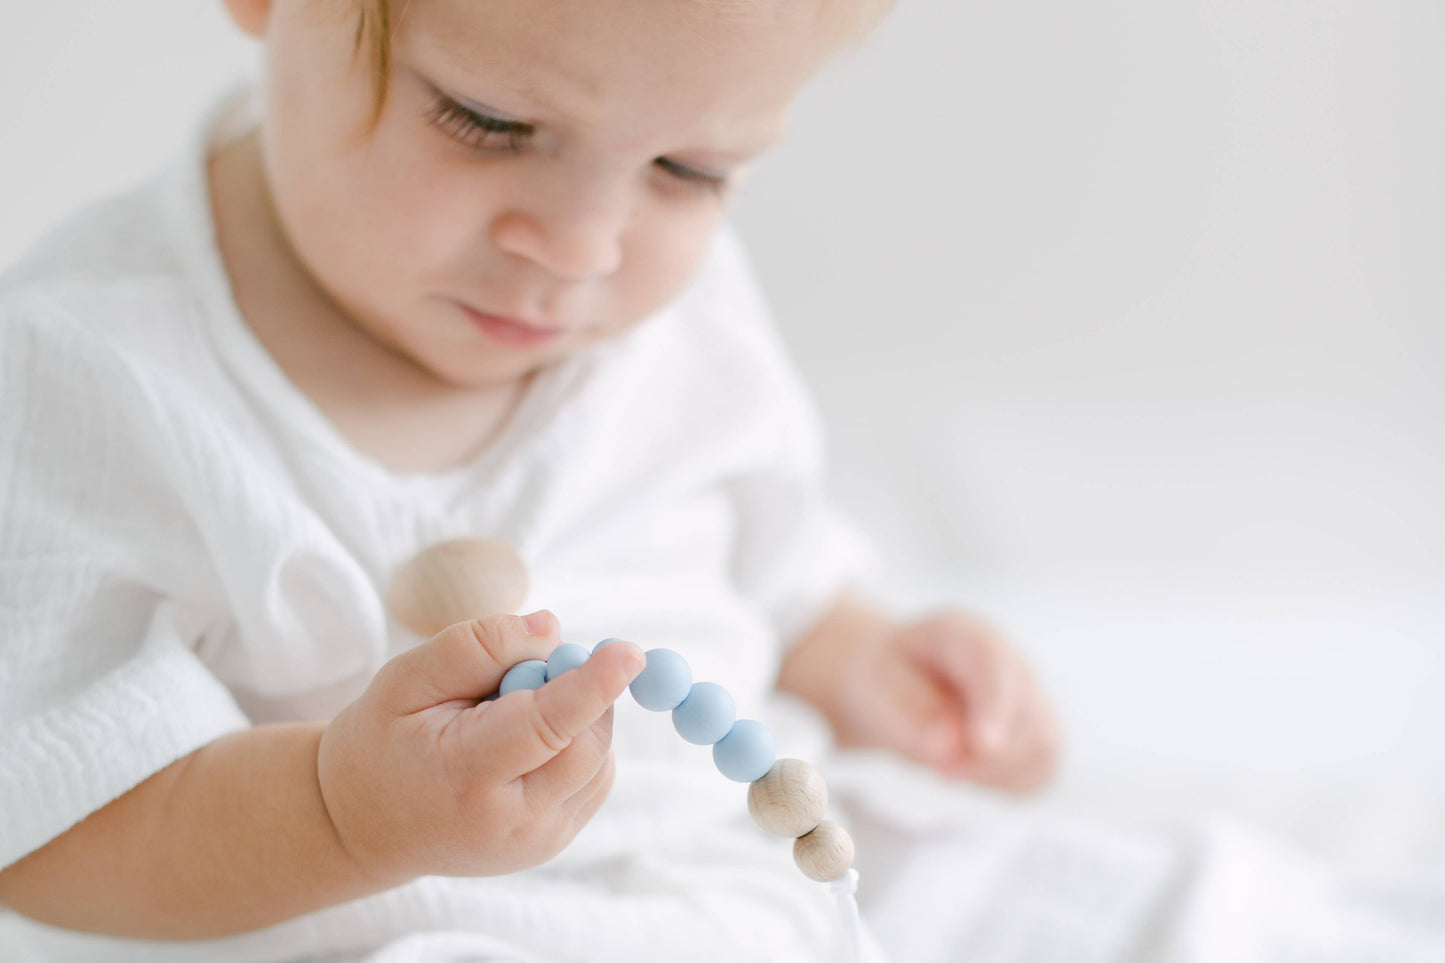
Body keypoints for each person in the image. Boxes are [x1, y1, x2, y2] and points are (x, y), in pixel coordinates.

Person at [0, 1, 1059, 959]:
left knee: (1161, 890)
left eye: (687, 172)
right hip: (402, 931)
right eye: (487, 122)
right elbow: (48, 819)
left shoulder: (683, 323)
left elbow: (767, 574)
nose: (580, 248)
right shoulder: (84, 374)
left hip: (746, 895)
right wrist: (338, 815)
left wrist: (865, 660)